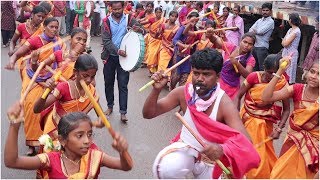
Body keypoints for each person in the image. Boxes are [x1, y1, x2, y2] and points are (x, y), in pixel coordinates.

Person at [143, 48, 260, 179]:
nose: (200, 79)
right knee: (166, 169)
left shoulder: (224, 103)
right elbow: (148, 114)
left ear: (218, 76)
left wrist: (222, 149)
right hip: (187, 151)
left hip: (212, 162)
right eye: (196, 73)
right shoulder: (183, 93)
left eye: (206, 74)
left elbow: (246, 142)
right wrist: (156, 91)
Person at [4, 112, 132, 178]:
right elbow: (12, 162)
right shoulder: (50, 160)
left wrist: (123, 151)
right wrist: (14, 126)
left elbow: (126, 166)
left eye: (90, 134)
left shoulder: (95, 157)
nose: (87, 140)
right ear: (62, 140)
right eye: (79, 135)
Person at [6, 17, 65, 156]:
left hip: (51, 79)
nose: (54, 30)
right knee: (31, 108)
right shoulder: (35, 40)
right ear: (44, 27)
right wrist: (12, 61)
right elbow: (18, 53)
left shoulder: (59, 42)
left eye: (56, 27)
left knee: (53, 110)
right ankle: (32, 144)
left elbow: (62, 60)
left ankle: (49, 143)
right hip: (33, 77)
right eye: (51, 27)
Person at [234, 54, 290, 178]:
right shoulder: (254, 77)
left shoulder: (281, 82)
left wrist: (279, 128)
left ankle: (257, 175)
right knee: (250, 151)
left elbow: (286, 110)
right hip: (248, 117)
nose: (272, 76)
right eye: (269, 72)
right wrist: (235, 117)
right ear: (264, 68)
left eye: (276, 73)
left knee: (263, 153)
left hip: (266, 123)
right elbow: (238, 96)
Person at [262, 59, 319, 179]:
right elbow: (266, 97)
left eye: (319, 74)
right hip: (292, 141)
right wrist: (280, 71)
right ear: (306, 72)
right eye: (312, 72)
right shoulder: (297, 89)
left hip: (312, 148)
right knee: (279, 175)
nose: (314, 76)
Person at [33, 54, 102, 141]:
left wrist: (98, 122)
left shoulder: (92, 92)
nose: (89, 80)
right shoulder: (63, 88)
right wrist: (46, 92)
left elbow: (101, 117)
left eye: (92, 77)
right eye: (85, 76)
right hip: (56, 133)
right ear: (75, 72)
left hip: (76, 136)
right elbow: (37, 109)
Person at [101, 1, 145, 122]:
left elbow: (143, 31)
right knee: (108, 83)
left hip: (125, 58)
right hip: (110, 56)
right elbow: (106, 41)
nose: (117, 11)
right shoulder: (106, 21)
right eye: (114, 9)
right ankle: (110, 106)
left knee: (123, 84)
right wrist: (117, 51)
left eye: (119, 9)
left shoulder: (129, 18)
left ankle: (123, 112)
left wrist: (139, 29)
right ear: (110, 8)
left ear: (123, 7)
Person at [219, 32, 256, 99]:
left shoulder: (251, 59)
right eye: (245, 42)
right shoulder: (232, 47)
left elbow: (248, 75)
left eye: (250, 44)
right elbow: (216, 41)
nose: (246, 45)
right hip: (220, 81)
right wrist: (211, 35)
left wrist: (237, 64)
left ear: (252, 46)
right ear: (240, 41)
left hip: (232, 87)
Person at [170, 11, 200, 89]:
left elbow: (199, 41)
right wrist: (184, 45)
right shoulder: (182, 28)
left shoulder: (196, 30)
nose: (194, 22)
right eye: (192, 20)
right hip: (179, 54)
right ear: (188, 19)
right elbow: (174, 40)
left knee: (185, 76)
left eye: (195, 21)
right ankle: (172, 91)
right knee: (176, 76)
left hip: (188, 57)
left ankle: (179, 95)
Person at [249, 3, 274, 71]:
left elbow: (260, 31)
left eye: (267, 10)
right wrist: (256, 31)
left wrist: (255, 31)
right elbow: (250, 30)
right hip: (255, 46)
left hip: (262, 47)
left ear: (270, 11)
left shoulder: (271, 22)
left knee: (262, 68)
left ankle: (262, 82)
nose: (265, 12)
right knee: (254, 67)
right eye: (263, 10)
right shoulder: (259, 20)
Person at [141, 7, 165, 73]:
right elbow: (144, 22)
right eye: (157, 12)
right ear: (155, 13)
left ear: (162, 13)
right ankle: (151, 70)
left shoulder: (164, 20)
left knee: (158, 56)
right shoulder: (152, 19)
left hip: (161, 40)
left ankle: (155, 71)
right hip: (153, 39)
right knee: (151, 54)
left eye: (160, 12)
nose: (158, 14)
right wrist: (137, 22)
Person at [281, 13, 301, 84]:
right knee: (284, 68)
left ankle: (289, 85)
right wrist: (284, 43)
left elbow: (285, 43)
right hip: (286, 51)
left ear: (290, 20)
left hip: (292, 53)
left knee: (290, 70)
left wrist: (284, 43)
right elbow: (284, 43)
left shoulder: (296, 31)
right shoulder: (290, 30)